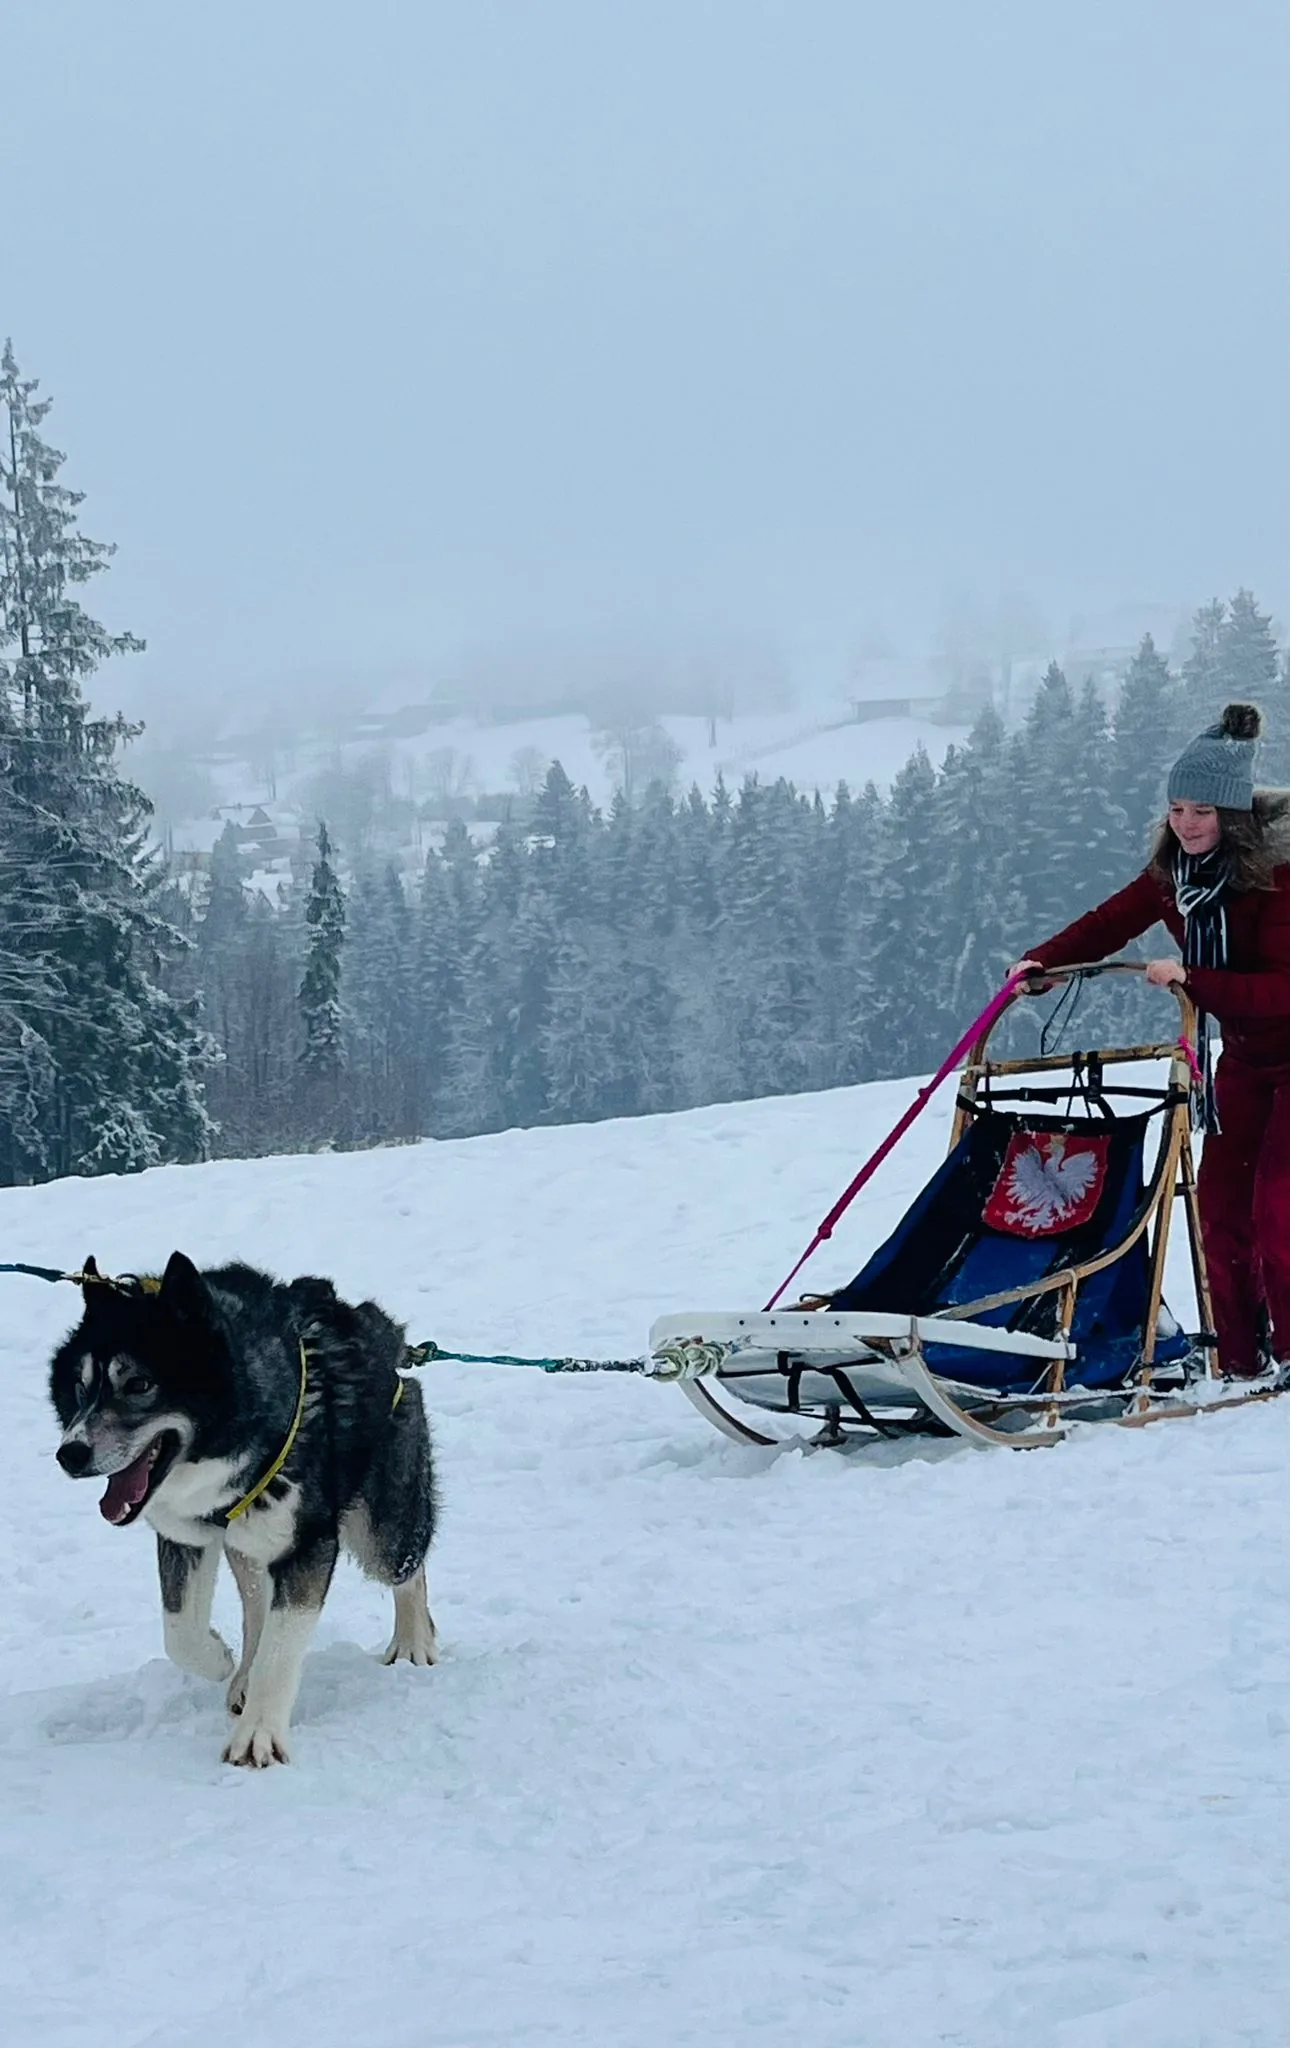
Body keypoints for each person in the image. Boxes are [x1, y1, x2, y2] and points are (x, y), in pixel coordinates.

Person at [1010, 701, 1290, 1382]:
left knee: (1277, 1209)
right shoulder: (1175, 879)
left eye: (1203, 811)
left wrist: (1196, 978)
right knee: (1222, 1207)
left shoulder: (1277, 881)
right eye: (1177, 808)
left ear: (1234, 817)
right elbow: (1108, 921)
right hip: (1246, 1061)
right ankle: (1239, 1357)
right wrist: (1041, 963)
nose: (1187, 824)